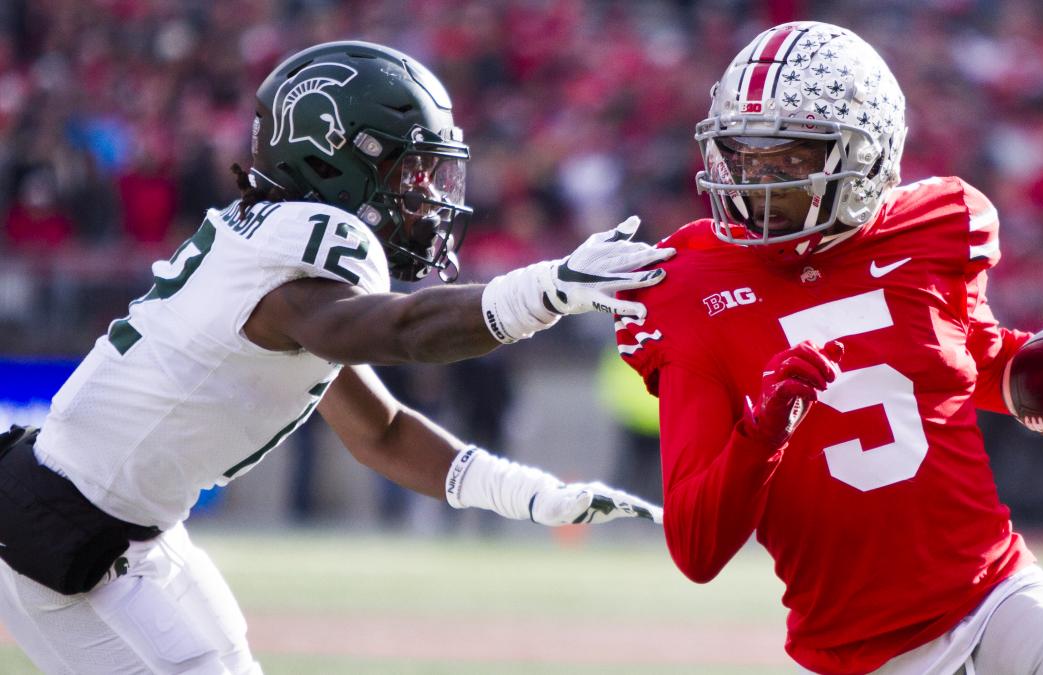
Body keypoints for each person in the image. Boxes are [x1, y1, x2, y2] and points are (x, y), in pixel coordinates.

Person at [0, 41, 672, 674]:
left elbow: (381, 431)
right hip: (64, 535)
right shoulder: (297, 270)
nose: (429, 194)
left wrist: (537, 496)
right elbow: (400, 329)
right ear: (335, 158)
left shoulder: (281, 267)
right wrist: (545, 290)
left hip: (129, 529)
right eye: (411, 169)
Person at [614, 21, 1043, 675]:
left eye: (789, 159)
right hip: (859, 656)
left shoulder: (937, 227)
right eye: (744, 155)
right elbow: (697, 545)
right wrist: (763, 429)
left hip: (998, 592)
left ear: (866, 156)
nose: (757, 183)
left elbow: (964, 363)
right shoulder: (686, 285)